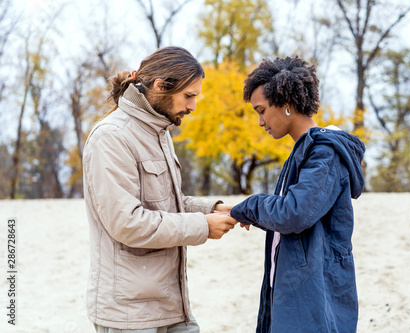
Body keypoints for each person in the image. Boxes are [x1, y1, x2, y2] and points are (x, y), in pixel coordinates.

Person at [82, 46, 237, 333]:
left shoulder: (160, 131)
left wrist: (211, 209)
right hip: (130, 314)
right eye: (188, 96)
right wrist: (203, 226)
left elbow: (165, 204)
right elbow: (127, 223)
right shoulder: (112, 137)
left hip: (170, 304)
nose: (193, 106)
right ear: (160, 86)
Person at [229, 56, 365, 332]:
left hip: (312, 300)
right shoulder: (304, 151)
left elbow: (294, 213)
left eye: (262, 110)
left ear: (287, 104)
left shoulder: (325, 154)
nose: (259, 121)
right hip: (295, 294)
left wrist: (251, 206)